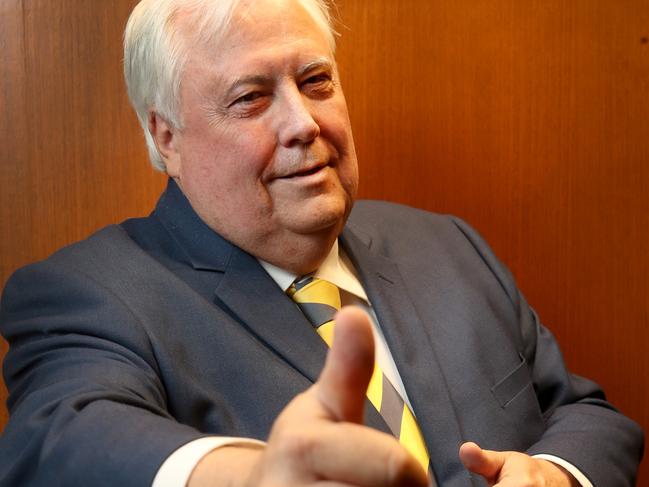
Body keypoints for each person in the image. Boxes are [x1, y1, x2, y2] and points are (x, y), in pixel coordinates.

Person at [0, 0, 643, 486]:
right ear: (167, 138)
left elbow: (584, 411)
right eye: (251, 98)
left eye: (315, 82)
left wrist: (557, 472)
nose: (303, 123)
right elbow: (55, 436)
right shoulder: (91, 294)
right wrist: (256, 477)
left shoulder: (447, 244)